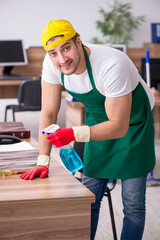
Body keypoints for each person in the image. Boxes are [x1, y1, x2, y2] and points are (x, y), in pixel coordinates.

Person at [20, 19, 156, 240]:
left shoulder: (111, 64)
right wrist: (42, 161)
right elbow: (48, 114)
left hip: (133, 123)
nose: (62, 59)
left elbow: (119, 126)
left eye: (66, 48)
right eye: (53, 53)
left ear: (78, 42)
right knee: (88, 199)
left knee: (132, 205)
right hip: (98, 122)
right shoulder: (51, 63)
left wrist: (73, 133)